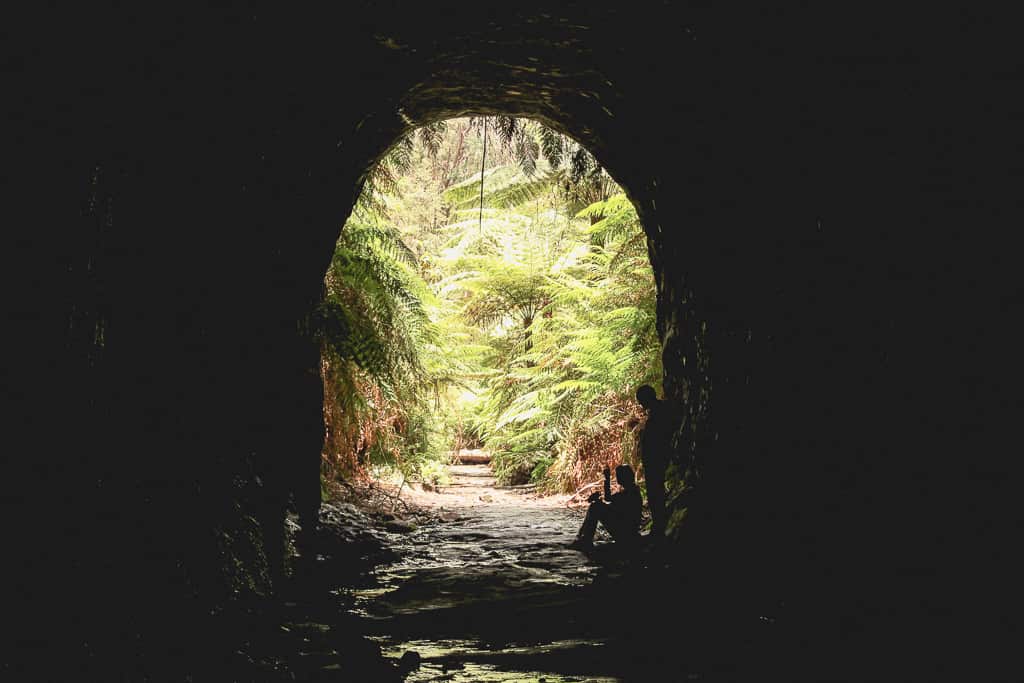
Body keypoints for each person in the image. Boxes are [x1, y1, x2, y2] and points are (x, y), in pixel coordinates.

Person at [635, 384, 677, 538]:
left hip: (657, 460)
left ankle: (659, 528)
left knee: (656, 494)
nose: (640, 404)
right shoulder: (659, 410)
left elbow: (661, 438)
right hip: (655, 459)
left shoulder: (659, 412)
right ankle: (659, 526)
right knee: (655, 494)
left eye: (641, 400)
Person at [568, 464, 642, 550]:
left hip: (625, 533)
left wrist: (607, 479)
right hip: (627, 531)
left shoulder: (631, 492)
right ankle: (583, 538)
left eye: (619, 475)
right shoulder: (632, 490)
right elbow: (613, 505)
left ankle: (585, 540)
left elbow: (608, 499)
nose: (617, 478)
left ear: (624, 477)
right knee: (596, 506)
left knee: (595, 507)